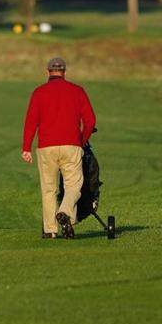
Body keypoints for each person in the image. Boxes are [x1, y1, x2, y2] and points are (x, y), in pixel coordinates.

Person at [22, 57, 96, 239]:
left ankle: (50, 230)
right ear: (65, 72)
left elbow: (31, 122)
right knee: (73, 186)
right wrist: (82, 139)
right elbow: (90, 120)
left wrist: (26, 148)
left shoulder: (38, 92)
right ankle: (65, 211)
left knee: (48, 189)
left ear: (47, 72)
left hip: (46, 147)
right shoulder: (77, 91)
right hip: (71, 146)